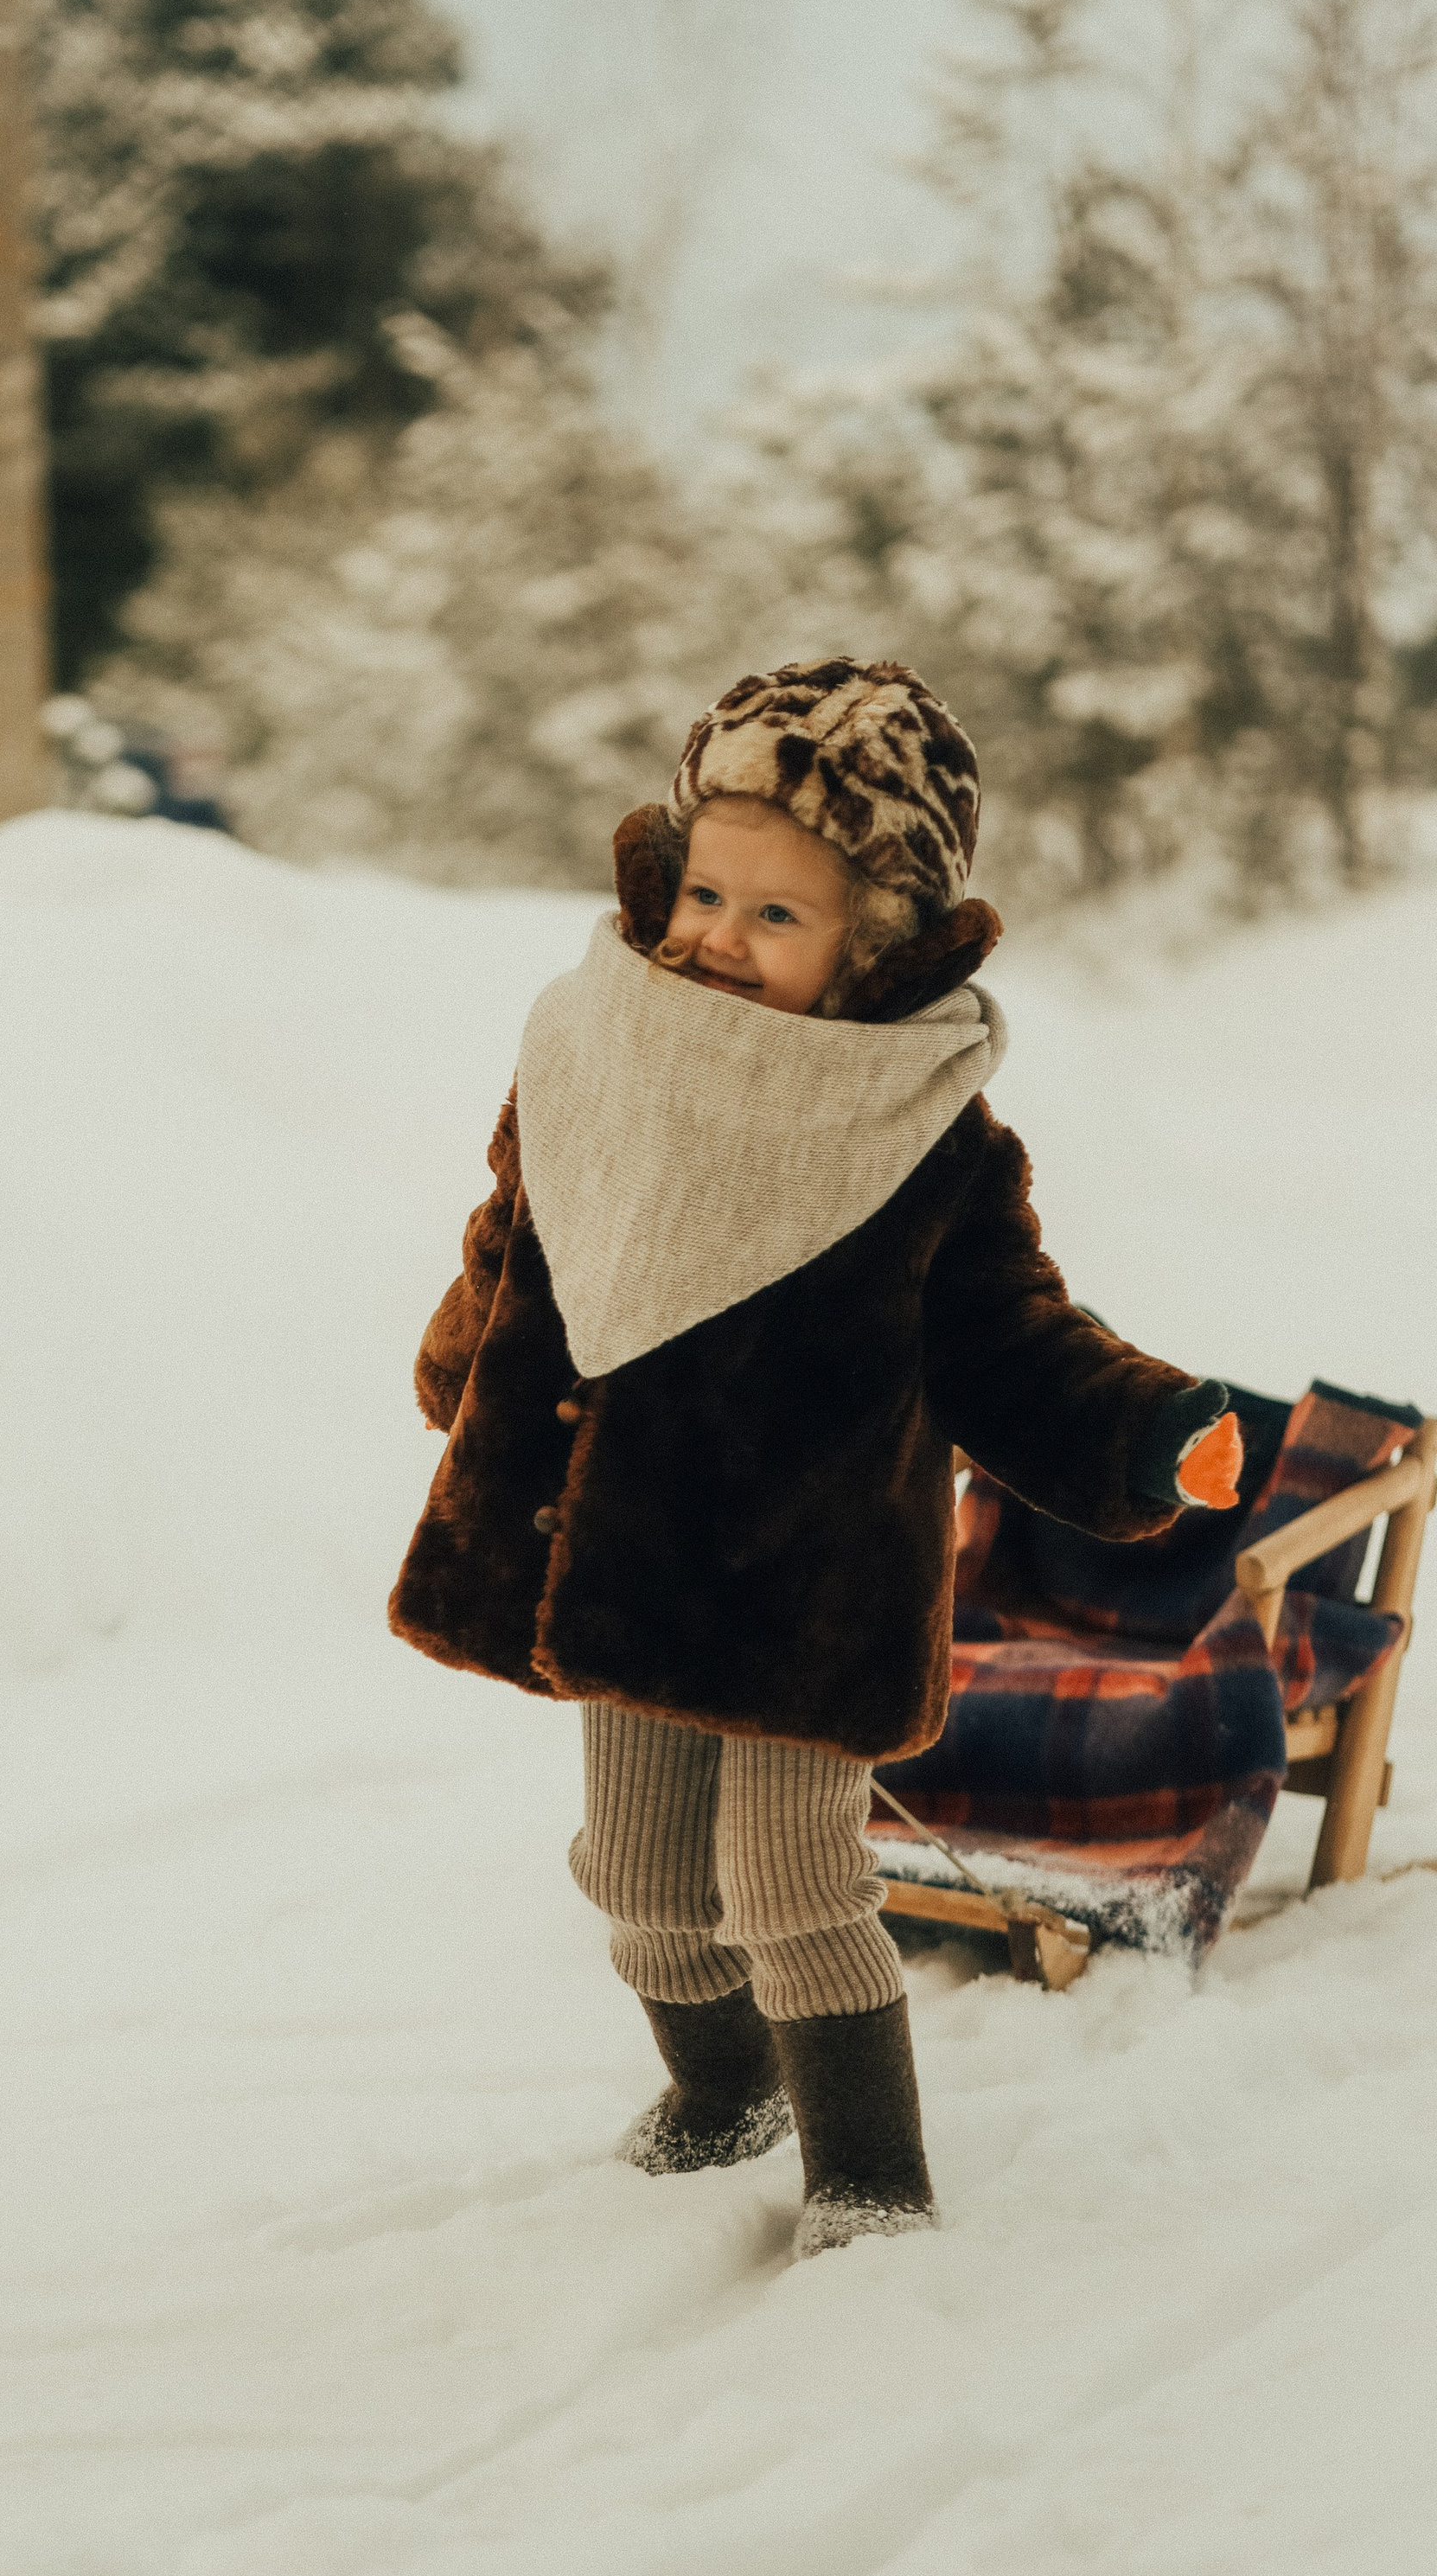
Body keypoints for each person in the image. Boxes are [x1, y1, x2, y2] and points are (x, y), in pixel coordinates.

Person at [388, 658, 1242, 2259]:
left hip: (815, 1579)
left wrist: (1142, 1426)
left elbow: (1010, 1335)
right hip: (633, 1551)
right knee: (639, 1881)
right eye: (705, 893)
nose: (719, 934)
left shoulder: (917, 1131)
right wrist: (464, 1375)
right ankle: (726, 2094)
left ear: (877, 943)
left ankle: (868, 2175)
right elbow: (519, 1243)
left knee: (792, 1891)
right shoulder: (591, 1051)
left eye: (777, 915)